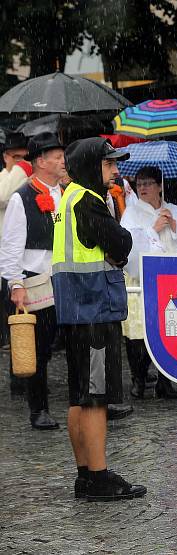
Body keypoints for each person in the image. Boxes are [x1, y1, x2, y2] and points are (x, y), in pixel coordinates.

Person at [53, 137, 146, 501]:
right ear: (94, 166)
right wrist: (118, 242)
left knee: (80, 396)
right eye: (109, 164)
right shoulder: (87, 201)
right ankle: (99, 476)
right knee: (95, 397)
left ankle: (85, 476)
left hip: (78, 309)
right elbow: (121, 242)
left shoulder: (69, 198)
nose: (116, 170)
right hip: (93, 307)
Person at [0, 133, 64, 429]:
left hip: (64, 279)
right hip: (36, 281)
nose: (62, 161)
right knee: (38, 348)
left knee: (61, 343)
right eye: (57, 157)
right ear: (41, 162)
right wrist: (15, 284)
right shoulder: (21, 197)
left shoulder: (67, 194)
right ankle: (39, 408)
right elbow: (11, 245)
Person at [121, 166, 177, 399]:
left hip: (172, 277)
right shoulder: (132, 212)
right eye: (139, 184)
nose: (143, 188)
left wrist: (173, 224)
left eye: (148, 183)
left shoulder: (173, 209)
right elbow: (128, 244)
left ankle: (165, 381)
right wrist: (152, 229)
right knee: (140, 332)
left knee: (169, 330)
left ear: (159, 185)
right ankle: (139, 378)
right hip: (143, 276)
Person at [1, 131, 30, 387]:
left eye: (24, 157)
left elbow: (10, 196)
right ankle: (16, 370)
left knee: (19, 318)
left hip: (16, 255)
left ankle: (22, 370)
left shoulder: (20, 175)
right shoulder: (8, 176)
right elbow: (3, 196)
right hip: (5, 253)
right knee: (11, 319)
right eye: (15, 157)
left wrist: (17, 169)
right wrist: (17, 170)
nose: (21, 162)